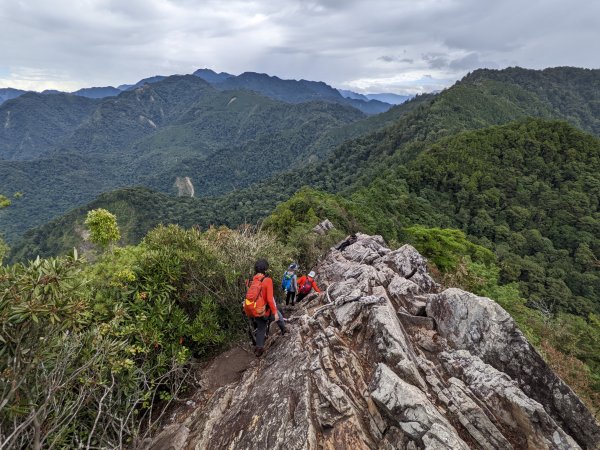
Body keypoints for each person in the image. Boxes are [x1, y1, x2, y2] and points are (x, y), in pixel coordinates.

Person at [247, 259, 281, 357]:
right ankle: (284, 330)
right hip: (264, 310)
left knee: (261, 328)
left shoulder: (251, 280)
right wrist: (274, 312)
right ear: (265, 269)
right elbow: (270, 299)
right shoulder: (267, 280)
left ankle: (259, 348)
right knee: (278, 316)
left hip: (254, 309)